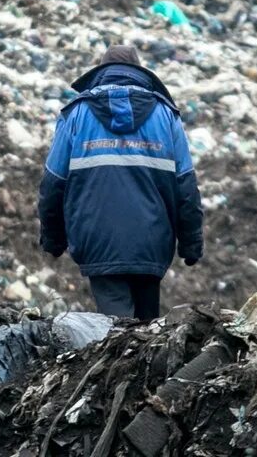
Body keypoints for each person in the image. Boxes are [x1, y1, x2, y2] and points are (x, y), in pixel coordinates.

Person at [37, 45, 203, 320]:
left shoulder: (76, 115)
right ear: (139, 73)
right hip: (152, 242)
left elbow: (53, 183)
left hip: (97, 240)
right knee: (146, 332)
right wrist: (191, 244)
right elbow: (185, 186)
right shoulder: (166, 116)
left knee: (118, 330)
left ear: (101, 74)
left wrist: (54, 239)